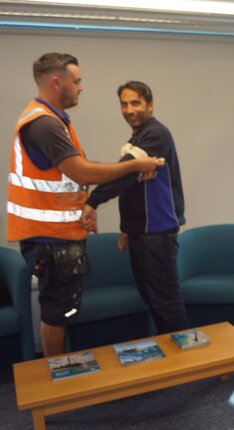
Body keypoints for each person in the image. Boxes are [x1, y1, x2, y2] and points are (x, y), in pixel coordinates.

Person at [7, 53, 164, 356]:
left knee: (61, 309)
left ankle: (60, 373)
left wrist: (83, 208)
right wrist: (135, 165)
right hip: (49, 238)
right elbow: (82, 172)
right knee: (56, 313)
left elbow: (68, 180)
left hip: (58, 234)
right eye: (77, 81)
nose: (81, 87)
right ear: (57, 82)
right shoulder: (44, 124)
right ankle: (56, 376)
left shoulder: (54, 120)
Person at [80, 81, 188, 334]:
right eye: (124, 104)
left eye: (135, 103)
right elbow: (133, 187)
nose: (129, 110)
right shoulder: (137, 139)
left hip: (157, 234)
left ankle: (185, 358)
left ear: (150, 105)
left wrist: (92, 201)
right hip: (142, 233)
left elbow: (123, 175)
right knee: (154, 300)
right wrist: (127, 228)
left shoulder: (155, 135)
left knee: (166, 303)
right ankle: (171, 354)